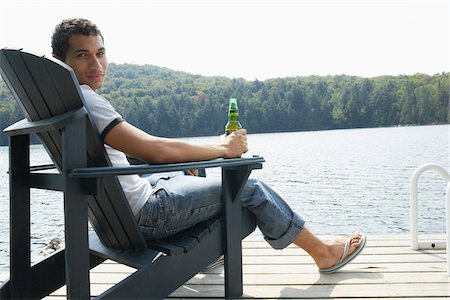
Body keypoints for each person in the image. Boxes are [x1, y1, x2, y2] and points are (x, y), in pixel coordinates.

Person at [51, 18, 366, 274]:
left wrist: (203, 151)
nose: (97, 64)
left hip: (115, 215)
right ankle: (323, 253)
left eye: (100, 53)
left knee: (192, 162)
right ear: (61, 62)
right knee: (250, 187)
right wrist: (225, 151)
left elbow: (130, 150)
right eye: (83, 55)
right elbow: (154, 151)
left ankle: (208, 254)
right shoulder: (88, 100)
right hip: (146, 215)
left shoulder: (60, 102)